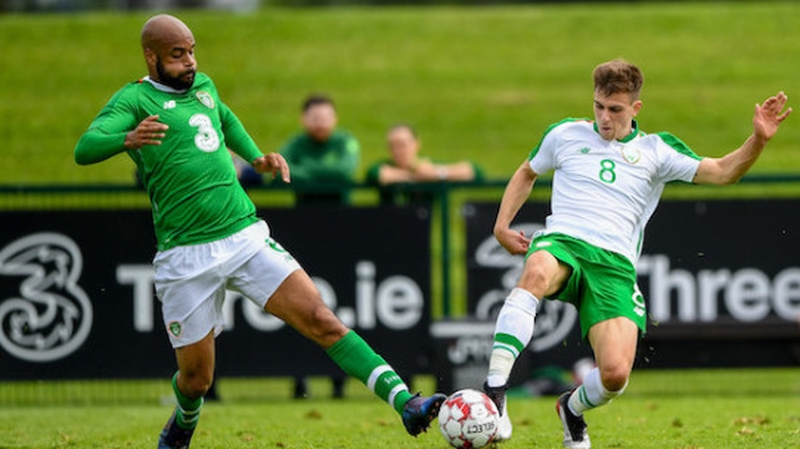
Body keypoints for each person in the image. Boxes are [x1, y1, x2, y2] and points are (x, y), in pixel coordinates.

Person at [73, 14, 445, 449]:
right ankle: (184, 421)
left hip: (244, 236)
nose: (190, 62)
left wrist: (255, 157)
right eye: (178, 55)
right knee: (196, 379)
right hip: (184, 256)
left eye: (192, 51)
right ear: (150, 56)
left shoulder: (203, 86)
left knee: (321, 319)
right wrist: (127, 139)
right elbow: (84, 148)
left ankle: (405, 402)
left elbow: (224, 117)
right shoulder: (133, 100)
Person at [482, 59, 790, 448]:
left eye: (615, 110)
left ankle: (572, 409)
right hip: (565, 243)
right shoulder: (564, 135)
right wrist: (501, 225)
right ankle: (495, 395)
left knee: (614, 376)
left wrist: (758, 140)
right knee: (537, 270)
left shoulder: (656, 150)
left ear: (635, 109)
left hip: (614, 266)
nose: (604, 118)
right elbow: (527, 171)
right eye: (598, 106)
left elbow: (724, 171)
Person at [366, 124, 484, 205]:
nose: (398, 151)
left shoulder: (429, 167)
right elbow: (375, 174)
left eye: (402, 144)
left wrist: (437, 173)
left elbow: (475, 172)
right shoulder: (386, 165)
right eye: (393, 146)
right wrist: (413, 176)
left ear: (416, 144)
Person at [278, 94, 360, 205]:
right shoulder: (295, 143)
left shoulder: (345, 141)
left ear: (335, 118)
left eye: (325, 118)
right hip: (304, 209)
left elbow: (345, 171)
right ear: (303, 119)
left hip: (341, 209)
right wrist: (327, 173)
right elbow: (279, 171)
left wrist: (306, 167)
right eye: (315, 118)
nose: (320, 124)